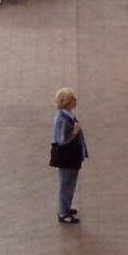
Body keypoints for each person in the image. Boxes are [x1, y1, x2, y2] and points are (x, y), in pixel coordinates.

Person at [52, 87, 86, 223]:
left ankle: (66, 207)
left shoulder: (67, 115)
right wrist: (75, 132)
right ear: (67, 102)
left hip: (72, 157)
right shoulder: (63, 119)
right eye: (73, 99)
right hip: (67, 158)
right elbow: (62, 140)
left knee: (69, 183)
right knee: (66, 184)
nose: (75, 100)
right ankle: (63, 212)